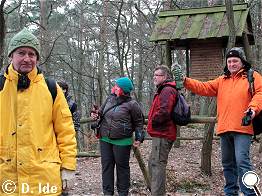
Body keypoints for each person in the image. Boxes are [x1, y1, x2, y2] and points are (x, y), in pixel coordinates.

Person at [0, 28, 77, 195]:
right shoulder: (0, 88)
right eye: (21, 53)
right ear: (11, 56)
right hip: (6, 177)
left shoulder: (51, 89)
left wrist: (68, 166)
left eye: (32, 54)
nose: (27, 58)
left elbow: (66, 131)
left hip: (43, 178)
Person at [181, 47, 262, 196]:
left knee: (242, 162)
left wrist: (253, 109)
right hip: (224, 128)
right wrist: (185, 81)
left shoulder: (252, 76)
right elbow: (203, 87)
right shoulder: (222, 80)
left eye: (235, 61)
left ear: (242, 61)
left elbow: (260, 94)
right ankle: (231, 192)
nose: (232, 64)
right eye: (229, 61)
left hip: (243, 128)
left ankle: (250, 193)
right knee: (227, 164)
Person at [91, 77, 145, 196]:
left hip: (122, 141)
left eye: (116, 86)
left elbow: (139, 123)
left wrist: (139, 138)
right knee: (106, 167)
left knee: (122, 168)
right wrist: (95, 114)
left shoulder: (132, 104)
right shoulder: (110, 98)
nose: (114, 87)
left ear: (122, 89)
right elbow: (101, 112)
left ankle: (122, 193)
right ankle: (107, 192)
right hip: (105, 139)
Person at [147, 65, 178, 196]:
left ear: (165, 77)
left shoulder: (167, 90)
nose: (154, 77)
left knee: (157, 166)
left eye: (157, 75)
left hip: (163, 133)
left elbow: (164, 111)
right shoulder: (163, 90)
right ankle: (154, 191)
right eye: (154, 75)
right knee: (153, 164)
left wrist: (152, 121)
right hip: (161, 133)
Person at [58, 81, 83, 151]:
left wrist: (71, 133)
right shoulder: (52, 101)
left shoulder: (72, 104)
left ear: (64, 90)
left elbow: (76, 120)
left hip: (67, 135)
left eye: (59, 89)